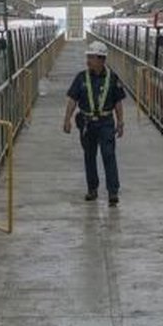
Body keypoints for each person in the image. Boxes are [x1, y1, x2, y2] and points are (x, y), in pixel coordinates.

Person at [63, 41, 126, 206]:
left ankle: (113, 192)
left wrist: (120, 122)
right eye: (88, 56)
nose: (88, 60)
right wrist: (67, 119)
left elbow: (118, 103)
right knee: (89, 156)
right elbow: (72, 100)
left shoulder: (113, 79)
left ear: (102, 59)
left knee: (109, 155)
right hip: (87, 123)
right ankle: (92, 189)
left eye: (91, 57)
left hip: (106, 123)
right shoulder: (81, 78)